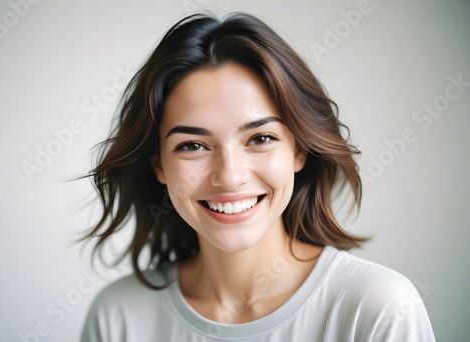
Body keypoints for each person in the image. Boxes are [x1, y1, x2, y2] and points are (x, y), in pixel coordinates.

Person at [80, 12, 435, 341]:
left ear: (299, 150)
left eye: (260, 139)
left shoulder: (376, 307)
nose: (230, 176)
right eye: (192, 145)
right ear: (158, 164)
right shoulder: (118, 316)